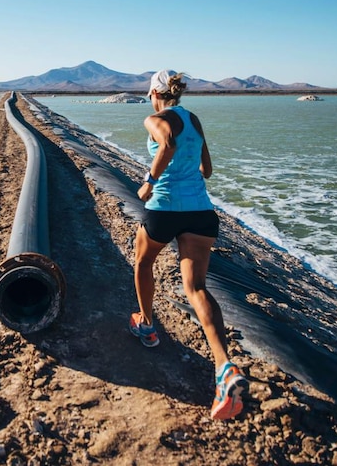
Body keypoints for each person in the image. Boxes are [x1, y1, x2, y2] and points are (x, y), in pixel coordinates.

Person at [129, 69, 249, 421]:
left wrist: (150, 182)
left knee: (142, 261)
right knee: (196, 287)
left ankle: (147, 326)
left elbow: (167, 143)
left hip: (165, 209)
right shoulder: (193, 118)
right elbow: (206, 169)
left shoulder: (154, 118)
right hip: (200, 212)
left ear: (154, 92)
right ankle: (224, 368)